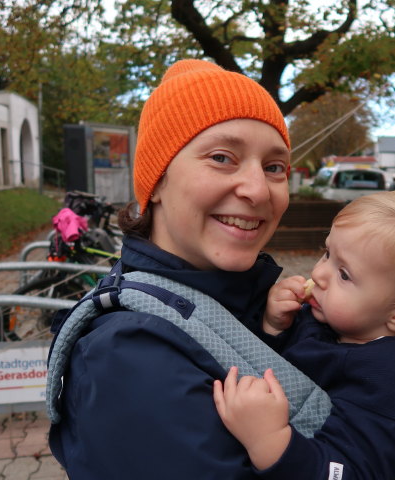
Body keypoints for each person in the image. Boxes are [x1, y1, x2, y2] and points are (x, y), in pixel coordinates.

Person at [47, 59, 294, 479]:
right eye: (222, 158)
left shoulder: (252, 299)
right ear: (157, 181)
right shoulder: (130, 357)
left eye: (274, 167)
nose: (258, 190)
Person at [213, 191, 395, 479]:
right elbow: (294, 360)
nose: (319, 273)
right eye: (328, 253)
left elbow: (346, 471)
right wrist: (275, 327)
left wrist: (266, 439)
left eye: (344, 274)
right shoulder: (343, 321)